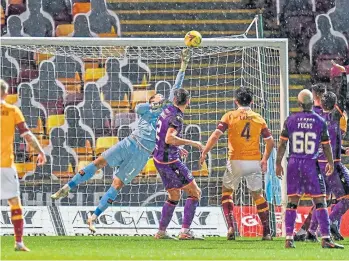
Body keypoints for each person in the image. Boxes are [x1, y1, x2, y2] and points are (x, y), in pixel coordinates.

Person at [51, 49, 191, 232]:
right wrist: (154, 104)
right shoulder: (145, 109)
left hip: (141, 155)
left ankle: (93, 217)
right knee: (98, 162)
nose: (162, 97)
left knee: (117, 184)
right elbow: (139, 107)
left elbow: (176, 87)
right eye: (157, 96)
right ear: (152, 99)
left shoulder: (167, 113)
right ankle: (68, 187)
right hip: (129, 143)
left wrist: (183, 66)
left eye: (162, 97)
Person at [200, 87, 275, 240]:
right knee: (257, 195)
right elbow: (270, 141)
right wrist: (265, 159)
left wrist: (205, 151)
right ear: (252, 102)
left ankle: (230, 227)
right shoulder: (258, 118)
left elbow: (215, 135)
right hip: (253, 161)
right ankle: (266, 232)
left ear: (236, 102)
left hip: (234, 161)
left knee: (227, 192)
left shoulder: (229, 116)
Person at [275, 89, 343, 249]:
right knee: (320, 200)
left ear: (299, 104)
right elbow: (326, 146)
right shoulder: (319, 121)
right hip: (311, 164)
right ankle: (326, 238)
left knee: (292, 201)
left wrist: (278, 163)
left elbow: (282, 144)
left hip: (294, 163)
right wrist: (331, 163)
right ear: (313, 103)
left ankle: (289, 238)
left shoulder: (290, 120)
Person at [0, 79, 47, 251]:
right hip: (5, 165)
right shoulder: (12, 110)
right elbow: (27, 135)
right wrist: (40, 151)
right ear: (6, 93)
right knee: (14, 201)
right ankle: (19, 242)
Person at [153, 88, 203, 240]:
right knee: (195, 193)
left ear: (174, 100)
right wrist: (192, 143)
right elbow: (169, 138)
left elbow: (163, 136)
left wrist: (177, 146)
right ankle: (185, 232)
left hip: (158, 160)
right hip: (171, 162)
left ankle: (161, 232)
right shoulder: (177, 117)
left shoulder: (167, 110)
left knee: (174, 194)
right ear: (188, 101)